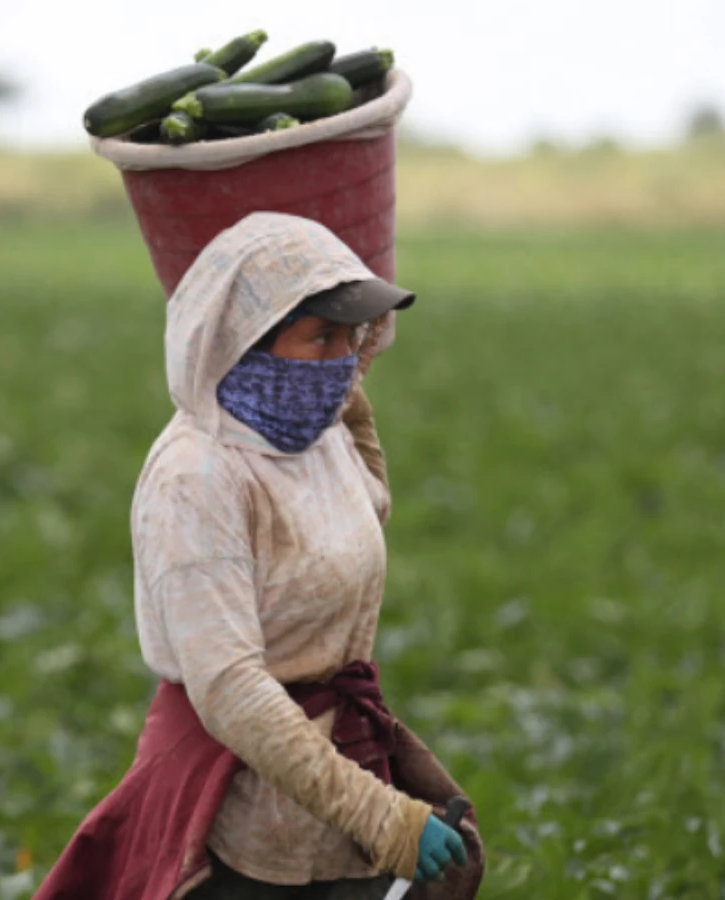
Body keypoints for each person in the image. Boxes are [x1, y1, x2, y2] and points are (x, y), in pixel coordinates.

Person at [35, 213, 483, 900]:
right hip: (242, 801)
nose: (342, 359)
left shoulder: (310, 430)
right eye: (322, 337)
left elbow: (368, 512)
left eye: (353, 338)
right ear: (244, 340)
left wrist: (351, 398)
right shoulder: (200, 477)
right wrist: (383, 817)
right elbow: (231, 687)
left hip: (335, 774)